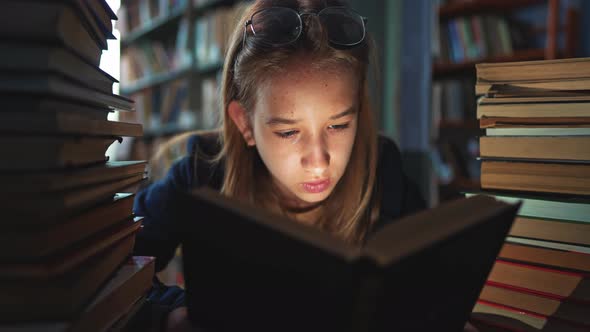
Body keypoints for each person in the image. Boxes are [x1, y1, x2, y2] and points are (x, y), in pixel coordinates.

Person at [131, 1, 478, 331]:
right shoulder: (200, 174)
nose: (318, 159)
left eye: (339, 126)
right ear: (245, 124)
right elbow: (115, 269)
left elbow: (426, 285)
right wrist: (171, 314)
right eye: (288, 131)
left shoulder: (383, 173)